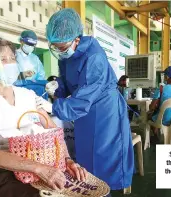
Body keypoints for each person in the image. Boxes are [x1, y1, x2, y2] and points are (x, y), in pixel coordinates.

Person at [0, 37, 87, 197]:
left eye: (12, 58)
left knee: (75, 190)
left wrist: (67, 160)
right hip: (6, 172)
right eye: (3, 60)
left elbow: (52, 130)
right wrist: (38, 168)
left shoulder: (28, 95)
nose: (11, 64)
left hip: (44, 162)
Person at [40, 8, 134, 194]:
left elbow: (83, 99)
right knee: (86, 158)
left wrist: (53, 106)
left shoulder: (94, 57)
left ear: (77, 39)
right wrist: (56, 86)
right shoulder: (66, 55)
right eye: (56, 47)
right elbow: (67, 82)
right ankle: (90, 190)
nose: (59, 51)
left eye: (62, 47)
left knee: (105, 157)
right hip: (85, 113)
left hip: (105, 111)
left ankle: (105, 191)